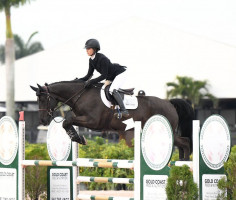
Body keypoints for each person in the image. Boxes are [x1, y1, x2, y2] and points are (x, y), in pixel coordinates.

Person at [78, 39, 129, 117]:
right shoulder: (91, 60)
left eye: (88, 49)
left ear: (94, 49)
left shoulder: (102, 58)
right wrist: (78, 81)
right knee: (103, 89)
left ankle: (124, 110)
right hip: (111, 76)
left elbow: (104, 76)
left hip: (120, 73)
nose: (87, 51)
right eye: (86, 49)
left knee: (112, 89)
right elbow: (88, 75)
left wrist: (91, 81)